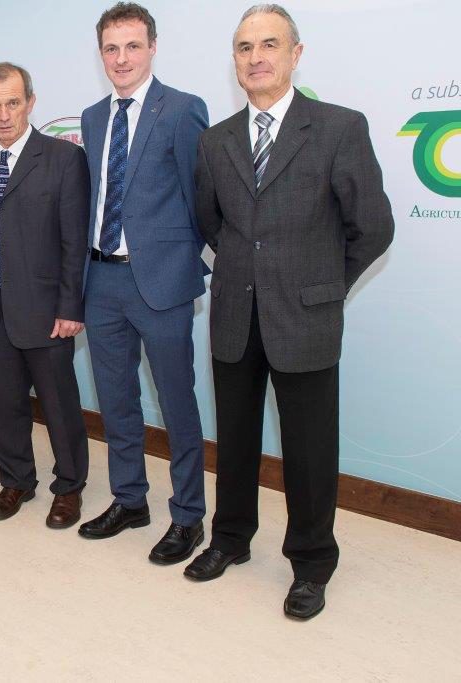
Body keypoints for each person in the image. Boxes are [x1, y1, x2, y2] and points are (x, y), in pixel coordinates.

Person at [187, 4, 394, 619]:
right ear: (235, 60)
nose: (256, 57)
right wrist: (243, 269)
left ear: (295, 54)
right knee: (237, 439)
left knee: (308, 450)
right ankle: (230, 540)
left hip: (305, 317)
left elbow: (373, 228)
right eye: (245, 47)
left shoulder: (337, 127)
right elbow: (210, 222)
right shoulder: (215, 138)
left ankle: (311, 563)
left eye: (269, 44)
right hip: (233, 315)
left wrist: (325, 285)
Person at [77, 3, 211, 567]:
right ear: (101, 54)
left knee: (177, 403)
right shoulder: (90, 117)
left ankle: (188, 517)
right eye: (112, 48)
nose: (122, 58)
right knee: (117, 402)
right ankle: (129, 500)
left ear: (152, 47)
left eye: (132, 46)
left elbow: (201, 199)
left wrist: (184, 263)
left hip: (161, 283)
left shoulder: (182, 110)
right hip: (102, 279)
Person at [0, 62, 91, 529]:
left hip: (45, 308)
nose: (4, 114)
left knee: (59, 404)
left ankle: (70, 486)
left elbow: (73, 240)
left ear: (30, 103)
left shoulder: (61, 158)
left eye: (13, 103)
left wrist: (70, 306)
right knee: (3, 402)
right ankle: (16, 479)